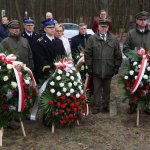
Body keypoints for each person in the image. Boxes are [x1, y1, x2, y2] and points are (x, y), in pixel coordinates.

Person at [85, 19, 122, 114]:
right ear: (98, 27)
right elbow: (87, 54)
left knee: (107, 89)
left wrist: (116, 67)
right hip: (96, 69)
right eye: (102, 27)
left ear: (108, 28)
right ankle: (96, 106)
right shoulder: (92, 39)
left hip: (109, 69)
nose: (103, 28)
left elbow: (118, 55)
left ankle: (106, 106)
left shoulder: (113, 39)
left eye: (105, 27)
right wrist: (89, 67)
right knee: (96, 89)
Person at [123, 11, 150, 114]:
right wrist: (133, 57)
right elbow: (125, 48)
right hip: (134, 66)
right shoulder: (131, 33)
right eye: (141, 20)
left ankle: (147, 106)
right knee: (133, 84)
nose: (143, 22)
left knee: (147, 85)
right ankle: (132, 105)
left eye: (144, 20)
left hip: (148, 66)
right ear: (137, 21)